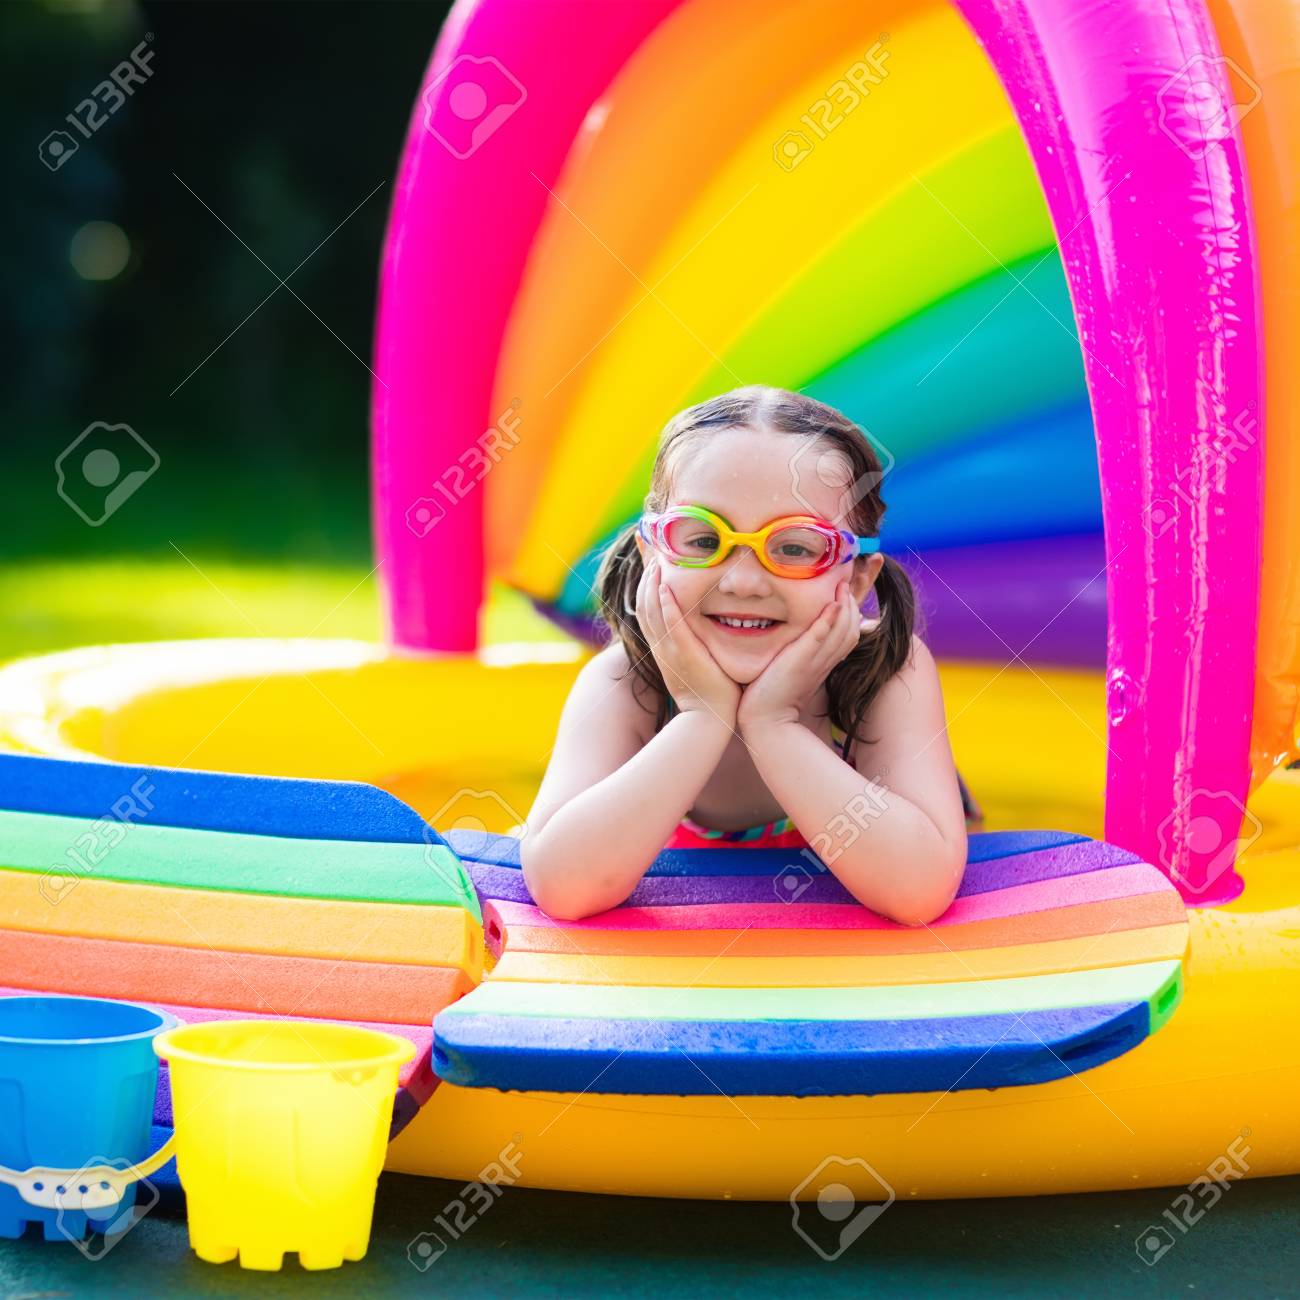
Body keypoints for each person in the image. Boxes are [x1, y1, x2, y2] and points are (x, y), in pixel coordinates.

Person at [518, 386, 978, 924]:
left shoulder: (882, 673)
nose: (741, 581)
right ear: (652, 555)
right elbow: (563, 887)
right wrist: (699, 716)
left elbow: (918, 892)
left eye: (794, 547)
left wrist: (774, 724)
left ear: (856, 580)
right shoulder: (628, 685)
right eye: (704, 540)